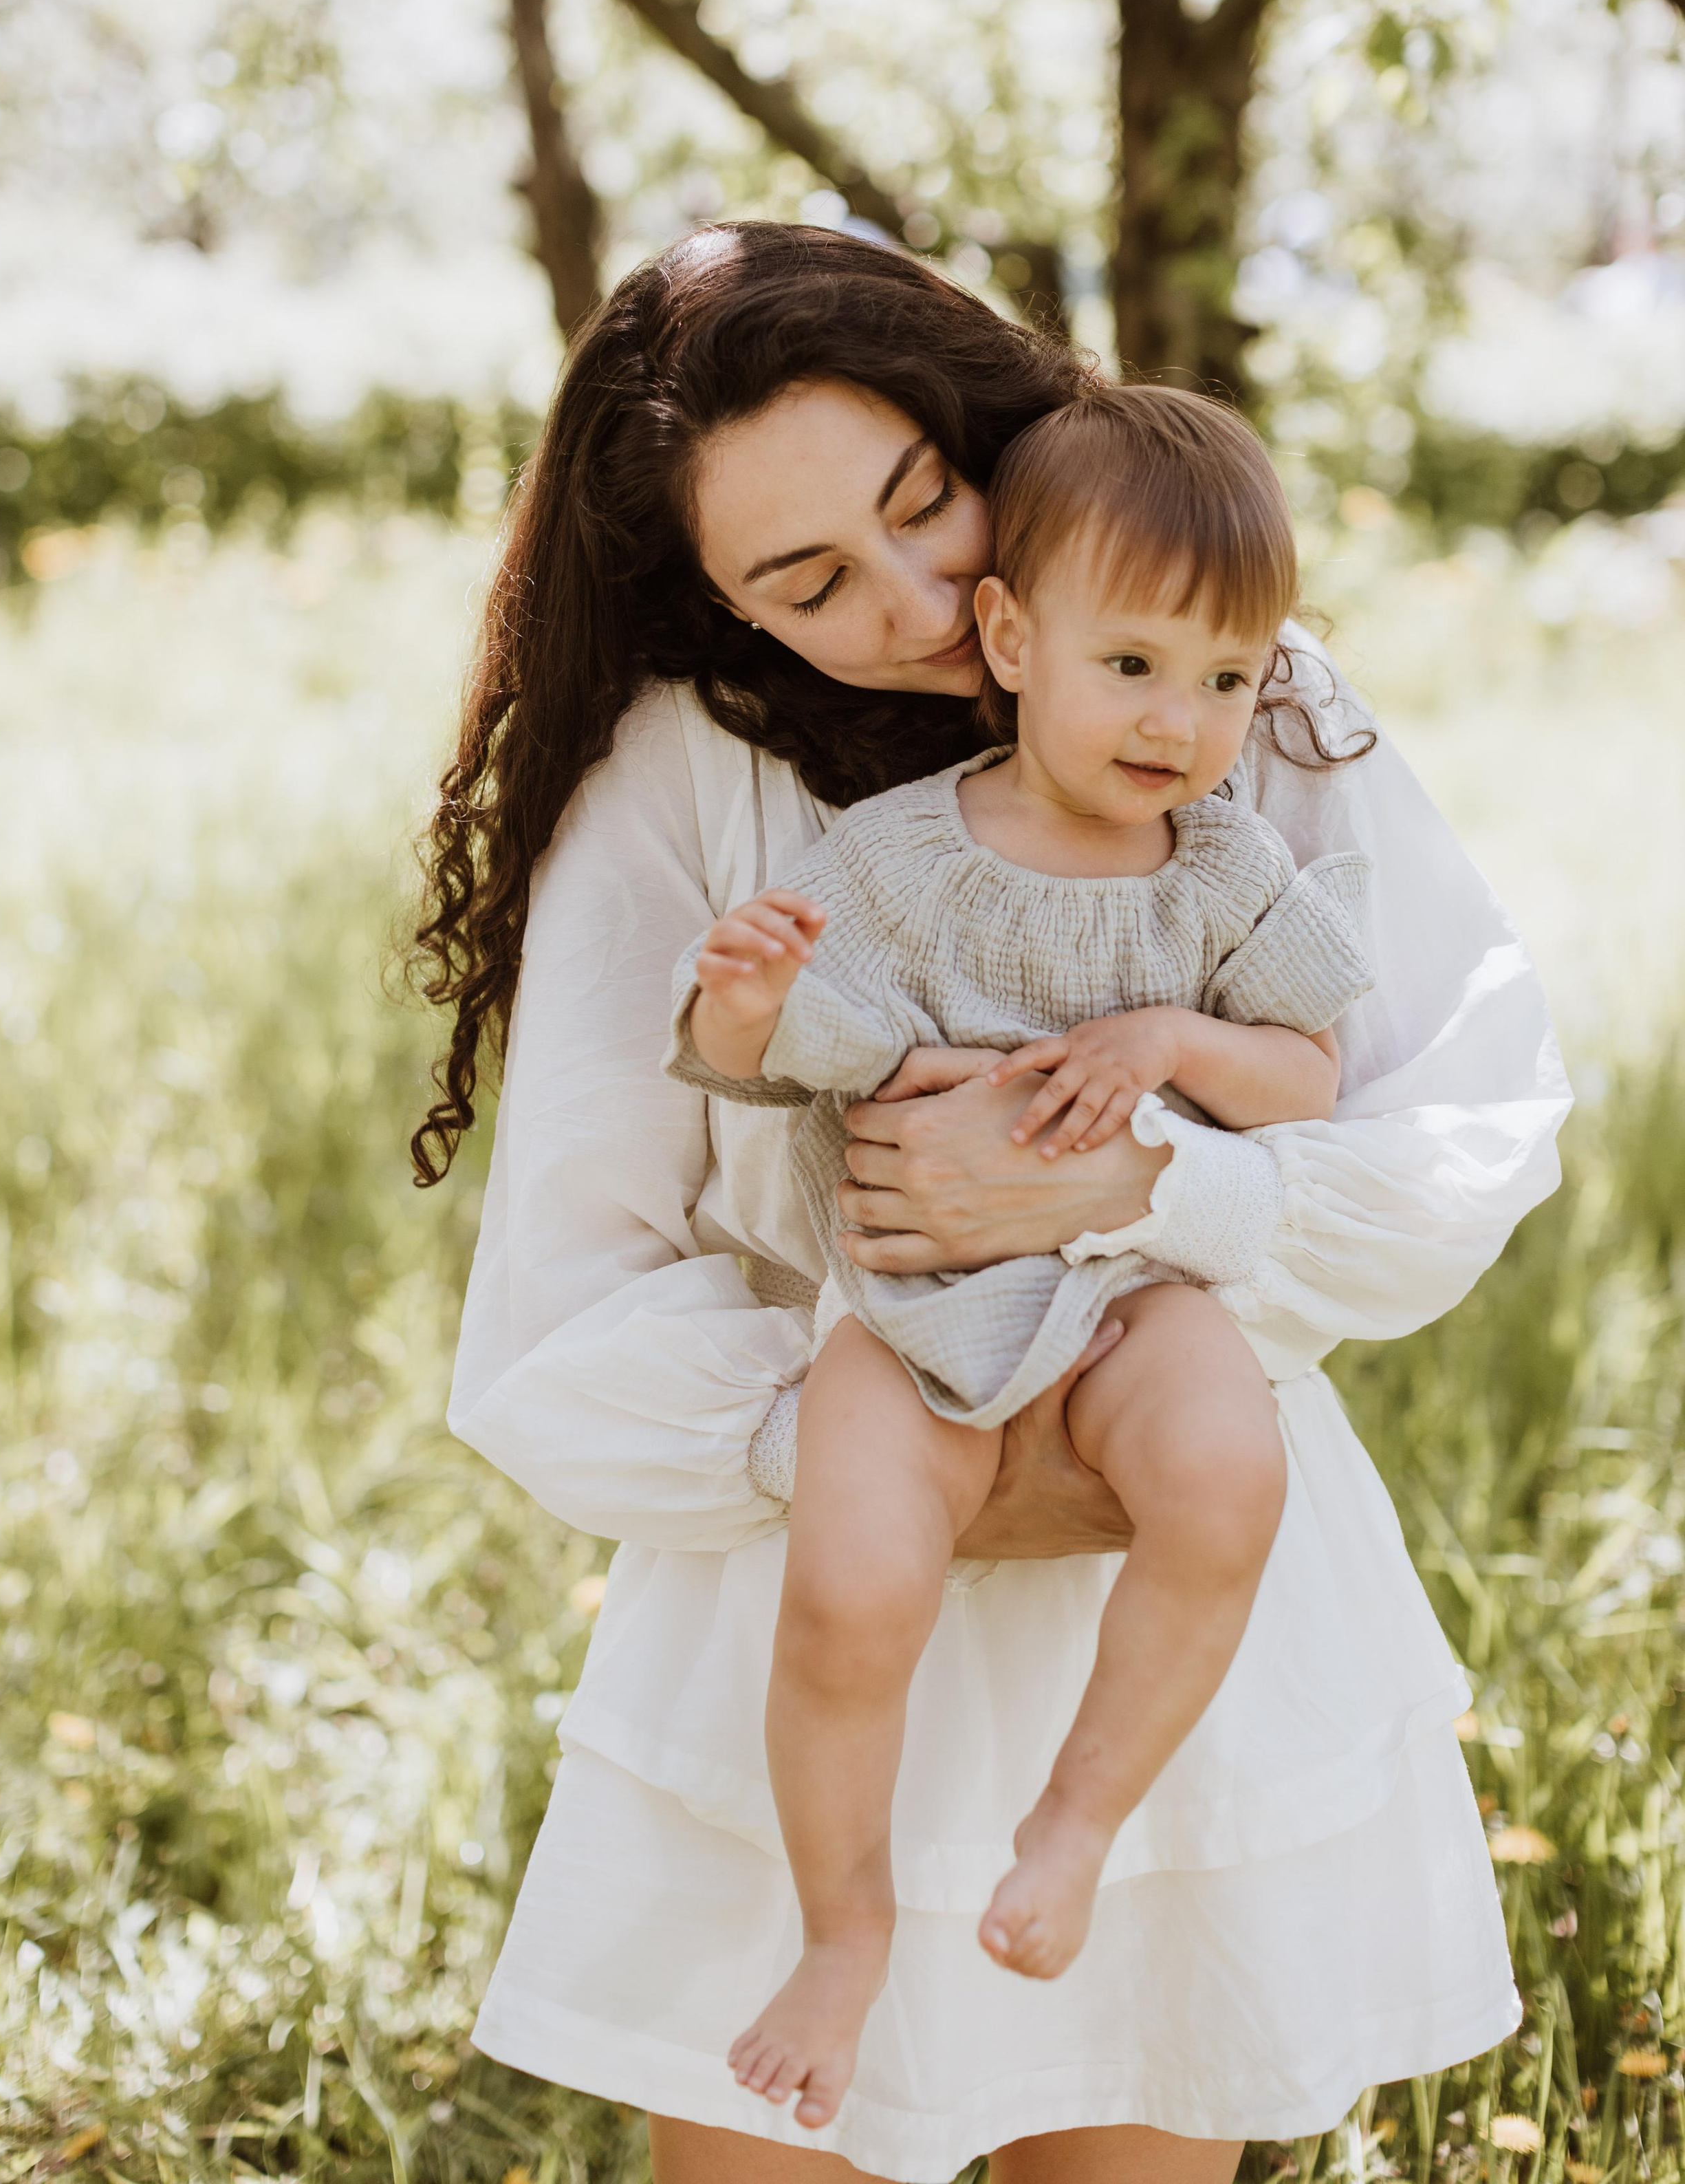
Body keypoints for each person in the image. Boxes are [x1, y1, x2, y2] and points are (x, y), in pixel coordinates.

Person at [420, 222, 1569, 2184]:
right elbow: (569, 1308)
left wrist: (1138, 1183)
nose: (919, 597)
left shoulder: (1239, 701)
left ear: (974, 422)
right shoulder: (691, 779)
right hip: (824, 1614)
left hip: (1171, 1605)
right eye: (809, 581)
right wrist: (882, 1446)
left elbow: (1454, 1128)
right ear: (714, 608)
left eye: (923, 504)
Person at [671, 387, 1374, 2125]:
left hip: (1134, 1295)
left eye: (1225, 681)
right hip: (912, 1309)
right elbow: (798, 1052)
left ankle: (1075, 1819)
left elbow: (1307, 1071)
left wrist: (1170, 1044)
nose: (1180, 723)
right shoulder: (901, 859)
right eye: (1130, 667)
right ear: (1009, 634)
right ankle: (842, 1935)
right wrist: (744, 992)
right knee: (846, 1585)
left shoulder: (1224, 874)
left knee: (1225, 1475)